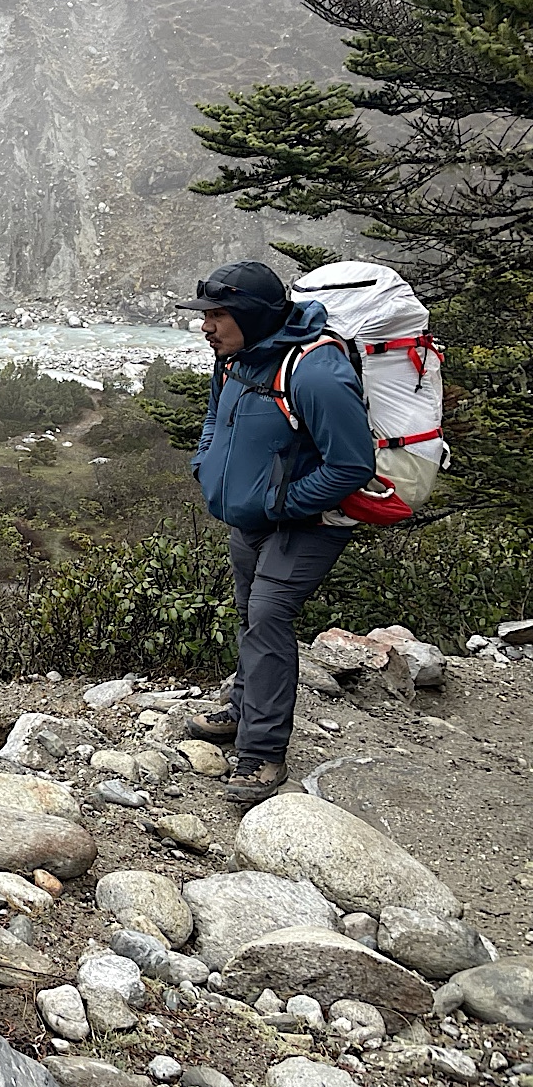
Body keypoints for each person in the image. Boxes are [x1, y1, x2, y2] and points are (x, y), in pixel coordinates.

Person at [178, 261, 376, 805]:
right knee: (249, 612)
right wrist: (206, 464)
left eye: (217, 315)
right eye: (206, 315)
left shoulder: (315, 372)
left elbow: (351, 466)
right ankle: (243, 706)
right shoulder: (235, 359)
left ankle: (262, 753)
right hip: (251, 518)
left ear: (251, 315)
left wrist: (282, 503)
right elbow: (216, 418)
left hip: (308, 523)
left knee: (267, 617)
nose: (206, 326)